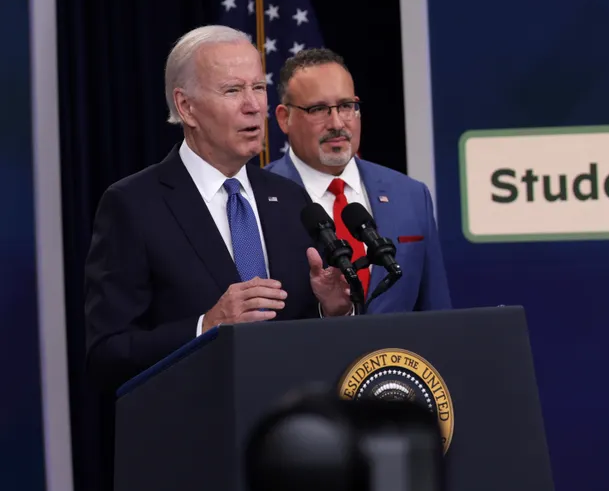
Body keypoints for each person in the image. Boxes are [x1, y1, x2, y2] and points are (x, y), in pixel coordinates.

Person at [84, 26, 352, 392]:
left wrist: (332, 310)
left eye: (258, 87)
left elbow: (303, 330)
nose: (254, 105)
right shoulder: (133, 205)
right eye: (232, 90)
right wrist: (205, 327)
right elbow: (107, 353)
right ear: (186, 107)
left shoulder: (290, 199)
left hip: (294, 434)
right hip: (196, 433)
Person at [265, 48, 451, 313]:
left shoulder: (410, 195)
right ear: (285, 118)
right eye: (319, 109)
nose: (337, 123)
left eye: (345, 106)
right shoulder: (257, 198)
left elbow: (436, 315)